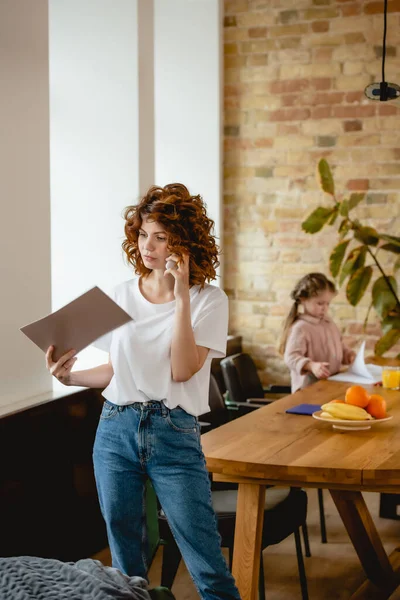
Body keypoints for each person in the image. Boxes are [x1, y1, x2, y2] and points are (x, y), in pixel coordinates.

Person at [45, 183, 241, 600]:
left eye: (161, 236)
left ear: (184, 242)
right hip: (115, 430)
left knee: (206, 561)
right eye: (142, 234)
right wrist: (70, 378)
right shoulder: (119, 296)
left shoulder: (210, 300)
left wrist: (182, 297)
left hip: (174, 433)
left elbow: (183, 368)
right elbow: (119, 370)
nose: (147, 245)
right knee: (125, 568)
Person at [279, 272, 356, 393]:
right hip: (308, 391)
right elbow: (291, 357)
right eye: (320, 303)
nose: (324, 308)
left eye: (327, 303)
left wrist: (349, 356)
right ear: (303, 300)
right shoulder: (301, 328)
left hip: (329, 385)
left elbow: (339, 345)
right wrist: (311, 366)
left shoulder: (328, 323)